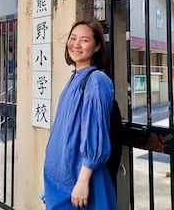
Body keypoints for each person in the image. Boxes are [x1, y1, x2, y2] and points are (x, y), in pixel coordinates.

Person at [44, 19, 117, 209]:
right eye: (72, 38)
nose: (76, 45)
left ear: (97, 46)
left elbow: (95, 135)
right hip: (59, 184)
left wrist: (83, 182)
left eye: (84, 40)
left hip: (79, 184)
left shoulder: (96, 81)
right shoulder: (74, 78)